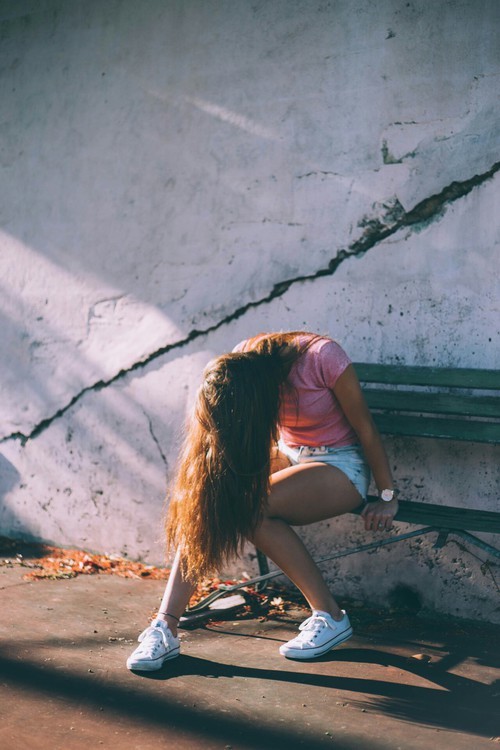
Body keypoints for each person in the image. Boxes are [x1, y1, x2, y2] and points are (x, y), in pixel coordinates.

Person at [127, 331, 398, 671]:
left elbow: (366, 428)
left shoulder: (323, 358)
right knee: (210, 503)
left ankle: (331, 616)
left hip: (340, 463)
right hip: (288, 454)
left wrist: (387, 496)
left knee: (250, 510)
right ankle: (164, 628)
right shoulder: (244, 358)